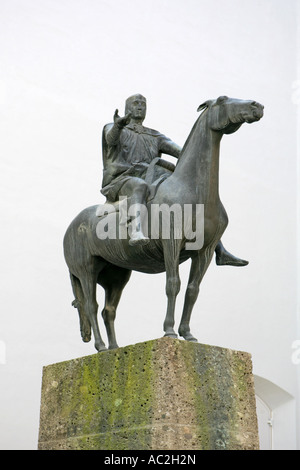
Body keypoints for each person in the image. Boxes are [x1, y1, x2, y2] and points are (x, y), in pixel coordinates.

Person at [101, 94, 248, 266]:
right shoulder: (114, 127)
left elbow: (184, 153)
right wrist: (119, 125)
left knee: (186, 196)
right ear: (127, 108)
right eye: (136, 103)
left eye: (143, 104)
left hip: (152, 176)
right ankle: (136, 230)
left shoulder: (155, 136)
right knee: (139, 186)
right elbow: (110, 139)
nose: (140, 106)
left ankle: (219, 250)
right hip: (123, 179)